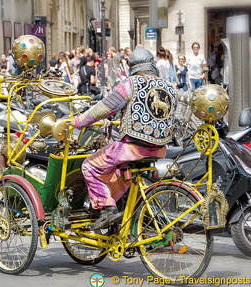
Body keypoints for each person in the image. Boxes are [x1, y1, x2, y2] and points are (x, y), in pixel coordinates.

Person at [71, 46, 175, 229]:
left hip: (132, 149)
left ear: (132, 67)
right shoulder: (167, 86)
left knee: (89, 166)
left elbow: (105, 107)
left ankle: (107, 209)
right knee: (120, 176)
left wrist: (79, 122)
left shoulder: (130, 84)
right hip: (159, 149)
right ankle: (117, 213)